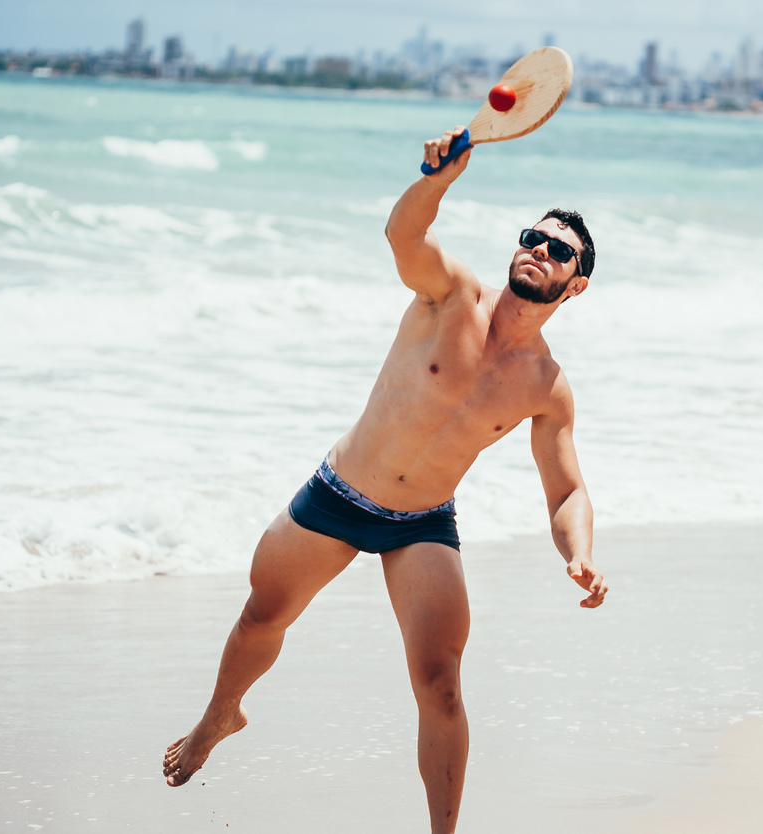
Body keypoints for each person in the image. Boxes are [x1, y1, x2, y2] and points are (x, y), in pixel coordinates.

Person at [163, 126, 608, 833]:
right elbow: (404, 236)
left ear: (573, 284)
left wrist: (577, 553)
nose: (538, 249)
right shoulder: (450, 295)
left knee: (441, 688)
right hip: (339, 492)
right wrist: (436, 180)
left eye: (558, 250)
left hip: (422, 523)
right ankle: (220, 716)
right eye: (532, 235)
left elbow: (567, 491)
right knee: (261, 617)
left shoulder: (546, 385)